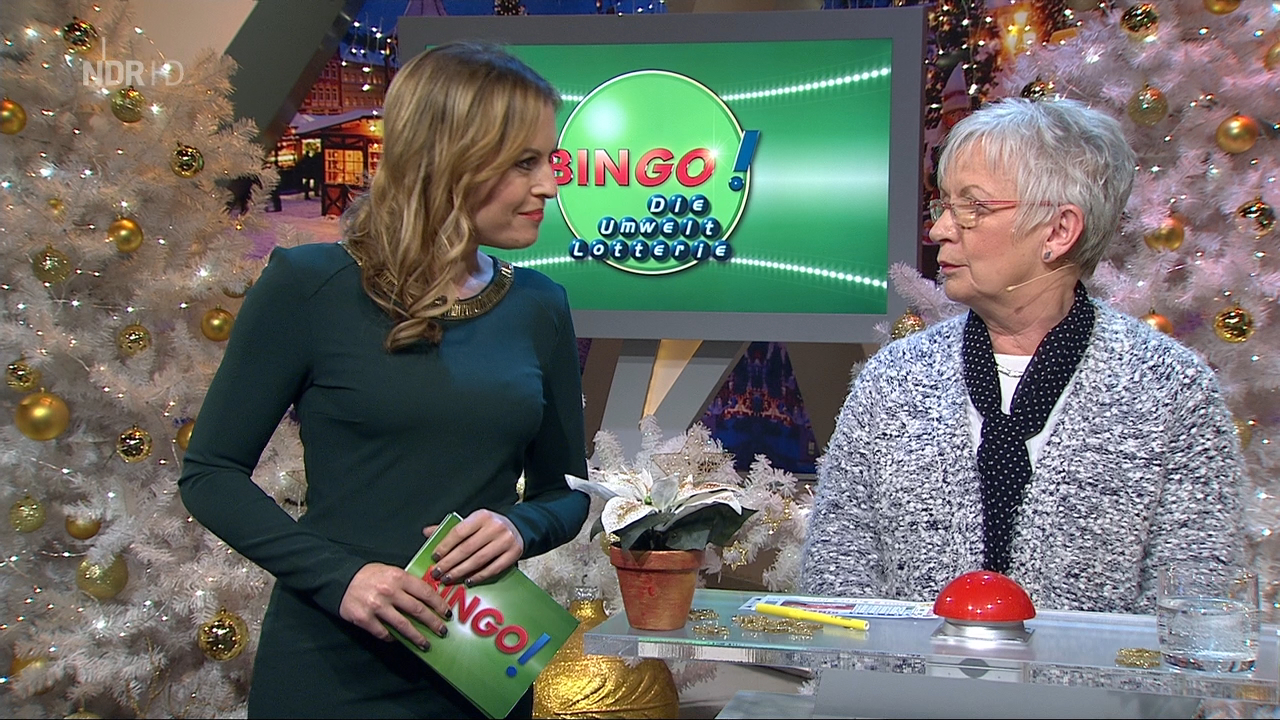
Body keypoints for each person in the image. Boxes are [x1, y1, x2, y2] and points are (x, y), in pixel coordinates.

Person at [179, 42, 590, 718]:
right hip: (330, 668)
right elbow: (210, 474)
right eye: (525, 163)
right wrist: (341, 578)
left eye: (550, 159)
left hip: (478, 665)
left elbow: (564, 492)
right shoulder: (309, 286)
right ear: (448, 157)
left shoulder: (541, 305)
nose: (549, 184)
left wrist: (521, 527)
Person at [801, 97, 1244, 614]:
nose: (940, 230)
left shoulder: (1173, 391)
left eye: (973, 207)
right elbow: (835, 582)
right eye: (943, 206)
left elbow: (1193, 609)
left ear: (1058, 231)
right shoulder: (892, 380)